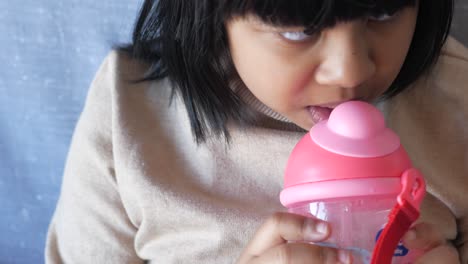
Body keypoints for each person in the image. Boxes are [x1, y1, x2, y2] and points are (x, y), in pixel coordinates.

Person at [45, 0, 468, 263]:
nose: (352, 69)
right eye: (298, 29)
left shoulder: (455, 97)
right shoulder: (133, 115)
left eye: (383, 10)